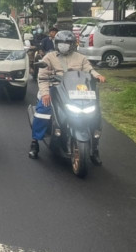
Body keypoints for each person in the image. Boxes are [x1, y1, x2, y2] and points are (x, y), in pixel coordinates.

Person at [29, 30, 106, 162]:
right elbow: (42, 78)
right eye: (61, 43)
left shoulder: (80, 58)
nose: (64, 45)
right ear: (56, 43)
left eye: (67, 43)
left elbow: (89, 69)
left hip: (77, 91)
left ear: (72, 44)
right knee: (43, 110)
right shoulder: (49, 57)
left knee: (95, 114)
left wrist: (97, 75)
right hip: (54, 89)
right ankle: (35, 142)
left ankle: (94, 148)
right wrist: (45, 94)